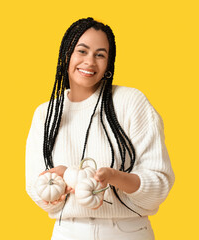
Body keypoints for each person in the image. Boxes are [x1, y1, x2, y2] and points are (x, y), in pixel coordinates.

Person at [25, 17, 175, 240]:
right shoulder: (45, 114)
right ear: (66, 55)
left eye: (100, 55)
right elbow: (35, 186)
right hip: (67, 232)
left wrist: (113, 176)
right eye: (82, 51)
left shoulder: (131, 102)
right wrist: (53, 194)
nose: (90, 62)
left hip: (127, 232)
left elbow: (159, 184)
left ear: (108, 64)